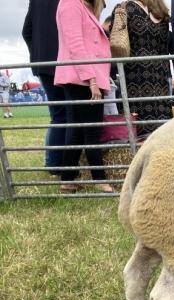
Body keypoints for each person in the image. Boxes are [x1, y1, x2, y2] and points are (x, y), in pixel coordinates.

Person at [55, 0, 113, 193]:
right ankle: (99, 180)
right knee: (91, 131)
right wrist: (92, 80)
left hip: (84, 77)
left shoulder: (84, 6)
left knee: (79, 131)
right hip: (82, 78)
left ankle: (67, 179)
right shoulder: (70, 3)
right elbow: (76, 45)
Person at [111, 0, 173, 136]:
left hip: (156, 81)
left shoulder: (126, 8)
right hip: (138, 81)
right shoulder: (124, 8)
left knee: (159, 132)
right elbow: (116, 45)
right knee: (142, 132)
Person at [22, 0, 66, 172]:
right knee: (66, 115)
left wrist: (37, 53)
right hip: (64, 62)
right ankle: (56, 164)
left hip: (42, 63)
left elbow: (26, 32)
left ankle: (53, 162)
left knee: (58, 116)